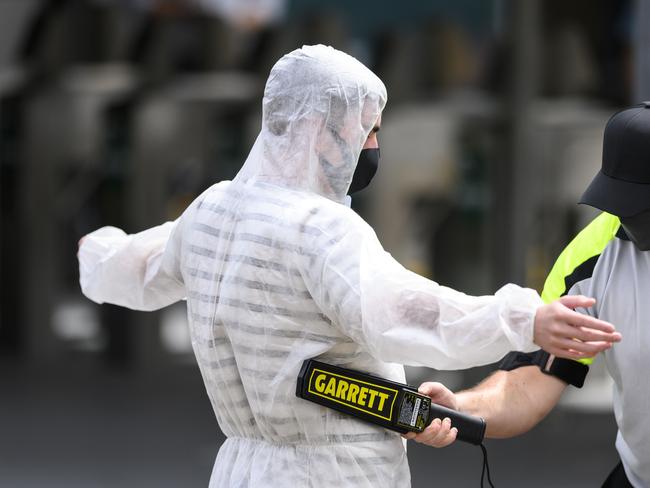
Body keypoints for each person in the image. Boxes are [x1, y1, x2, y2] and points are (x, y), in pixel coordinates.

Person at [77, 45, 620, 487]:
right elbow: (408, 316)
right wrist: (525, 319)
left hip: (242, 469)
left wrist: (95, 252)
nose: (373, 145)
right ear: (321, 130)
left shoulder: (211, 211)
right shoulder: (321, 229)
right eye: (368, 130)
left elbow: (131, 268)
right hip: (335, 472)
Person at [410, 103, 650, 487]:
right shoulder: (590, 258)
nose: (627, 219)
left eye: (641, 203)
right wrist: (458, 407)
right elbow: (528, 385)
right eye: (617, 201)